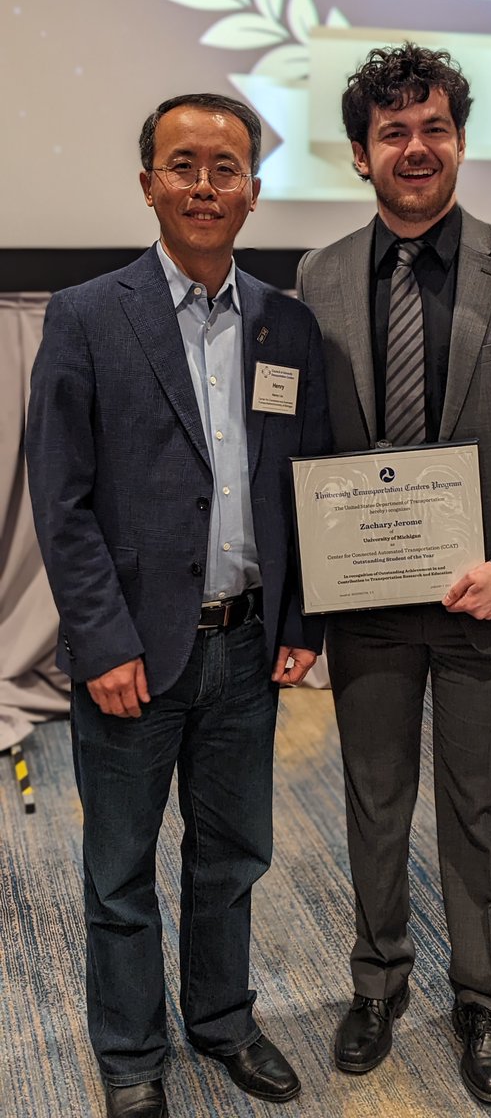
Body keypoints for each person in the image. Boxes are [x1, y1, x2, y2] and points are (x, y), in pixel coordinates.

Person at [296, 44, 491, 1106]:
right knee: (374, 802)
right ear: (360, 155)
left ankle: (479, 998)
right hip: (369, 604)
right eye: (393, 133)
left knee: (481, 810)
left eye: (433, 128)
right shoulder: (320, 275)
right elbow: (312, 445)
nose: (415, 148)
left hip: (490, 603)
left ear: (460, 141)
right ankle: (377, 984)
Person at [26, 93, 331, 1118]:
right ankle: (129, 1056)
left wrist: (299, 623)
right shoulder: (86, 314)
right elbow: (60, 500)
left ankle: (222, 1020)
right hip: (132, 655)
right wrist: (100, 640)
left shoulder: (287, 323)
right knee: (120, 871)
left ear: (255, 190)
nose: (206, 185)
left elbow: (303, 483)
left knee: (234, 853)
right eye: (183, 164)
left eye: (226, 167)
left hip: (244, 647)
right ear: (148, 182)